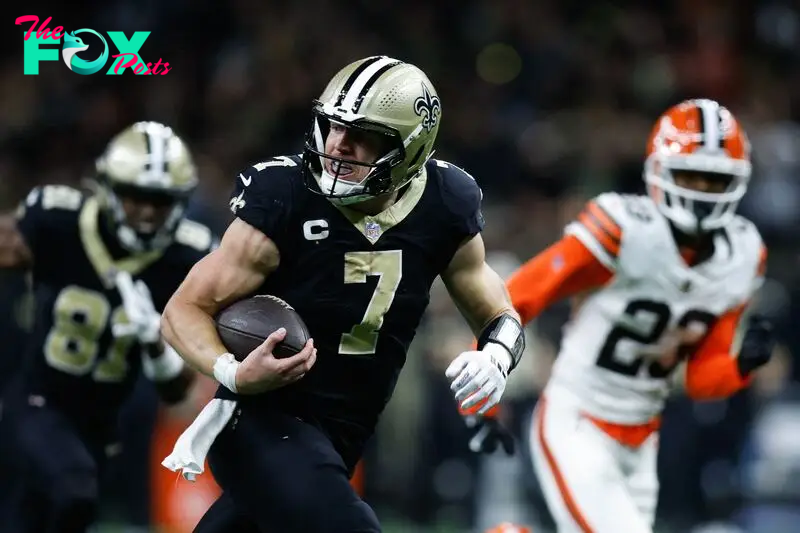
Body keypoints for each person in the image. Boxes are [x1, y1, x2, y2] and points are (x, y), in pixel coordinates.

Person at [160, 55, 526, 533]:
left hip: (343, 434)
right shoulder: (285, 195)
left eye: (364, 135)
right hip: (263, 420)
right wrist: (231, 370)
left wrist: (496, 356)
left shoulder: (444, 204)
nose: (339, 144)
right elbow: (182, 310)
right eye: (332, 125)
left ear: (411, 148)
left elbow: (499, 313)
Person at [469, 99, 775, 533]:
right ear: (660, 171)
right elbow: (517, 296)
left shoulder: (742, 256)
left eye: (715, 179)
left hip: (642, 438)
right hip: (577, 418)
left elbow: (702, 379)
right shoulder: (626, 230)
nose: (702, 190)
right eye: (690, 175)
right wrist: (486, 379)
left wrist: (741, 366)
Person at [0, 121, 216, 532]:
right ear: (109, 187)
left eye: (162, 200)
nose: (149, 212)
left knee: (45, 515)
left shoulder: (188, 258)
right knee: (72, 491)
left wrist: (155, 345)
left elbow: (177, 391)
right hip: (38, 402)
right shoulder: (60, 221)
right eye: (137, 197)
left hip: (100, 425)